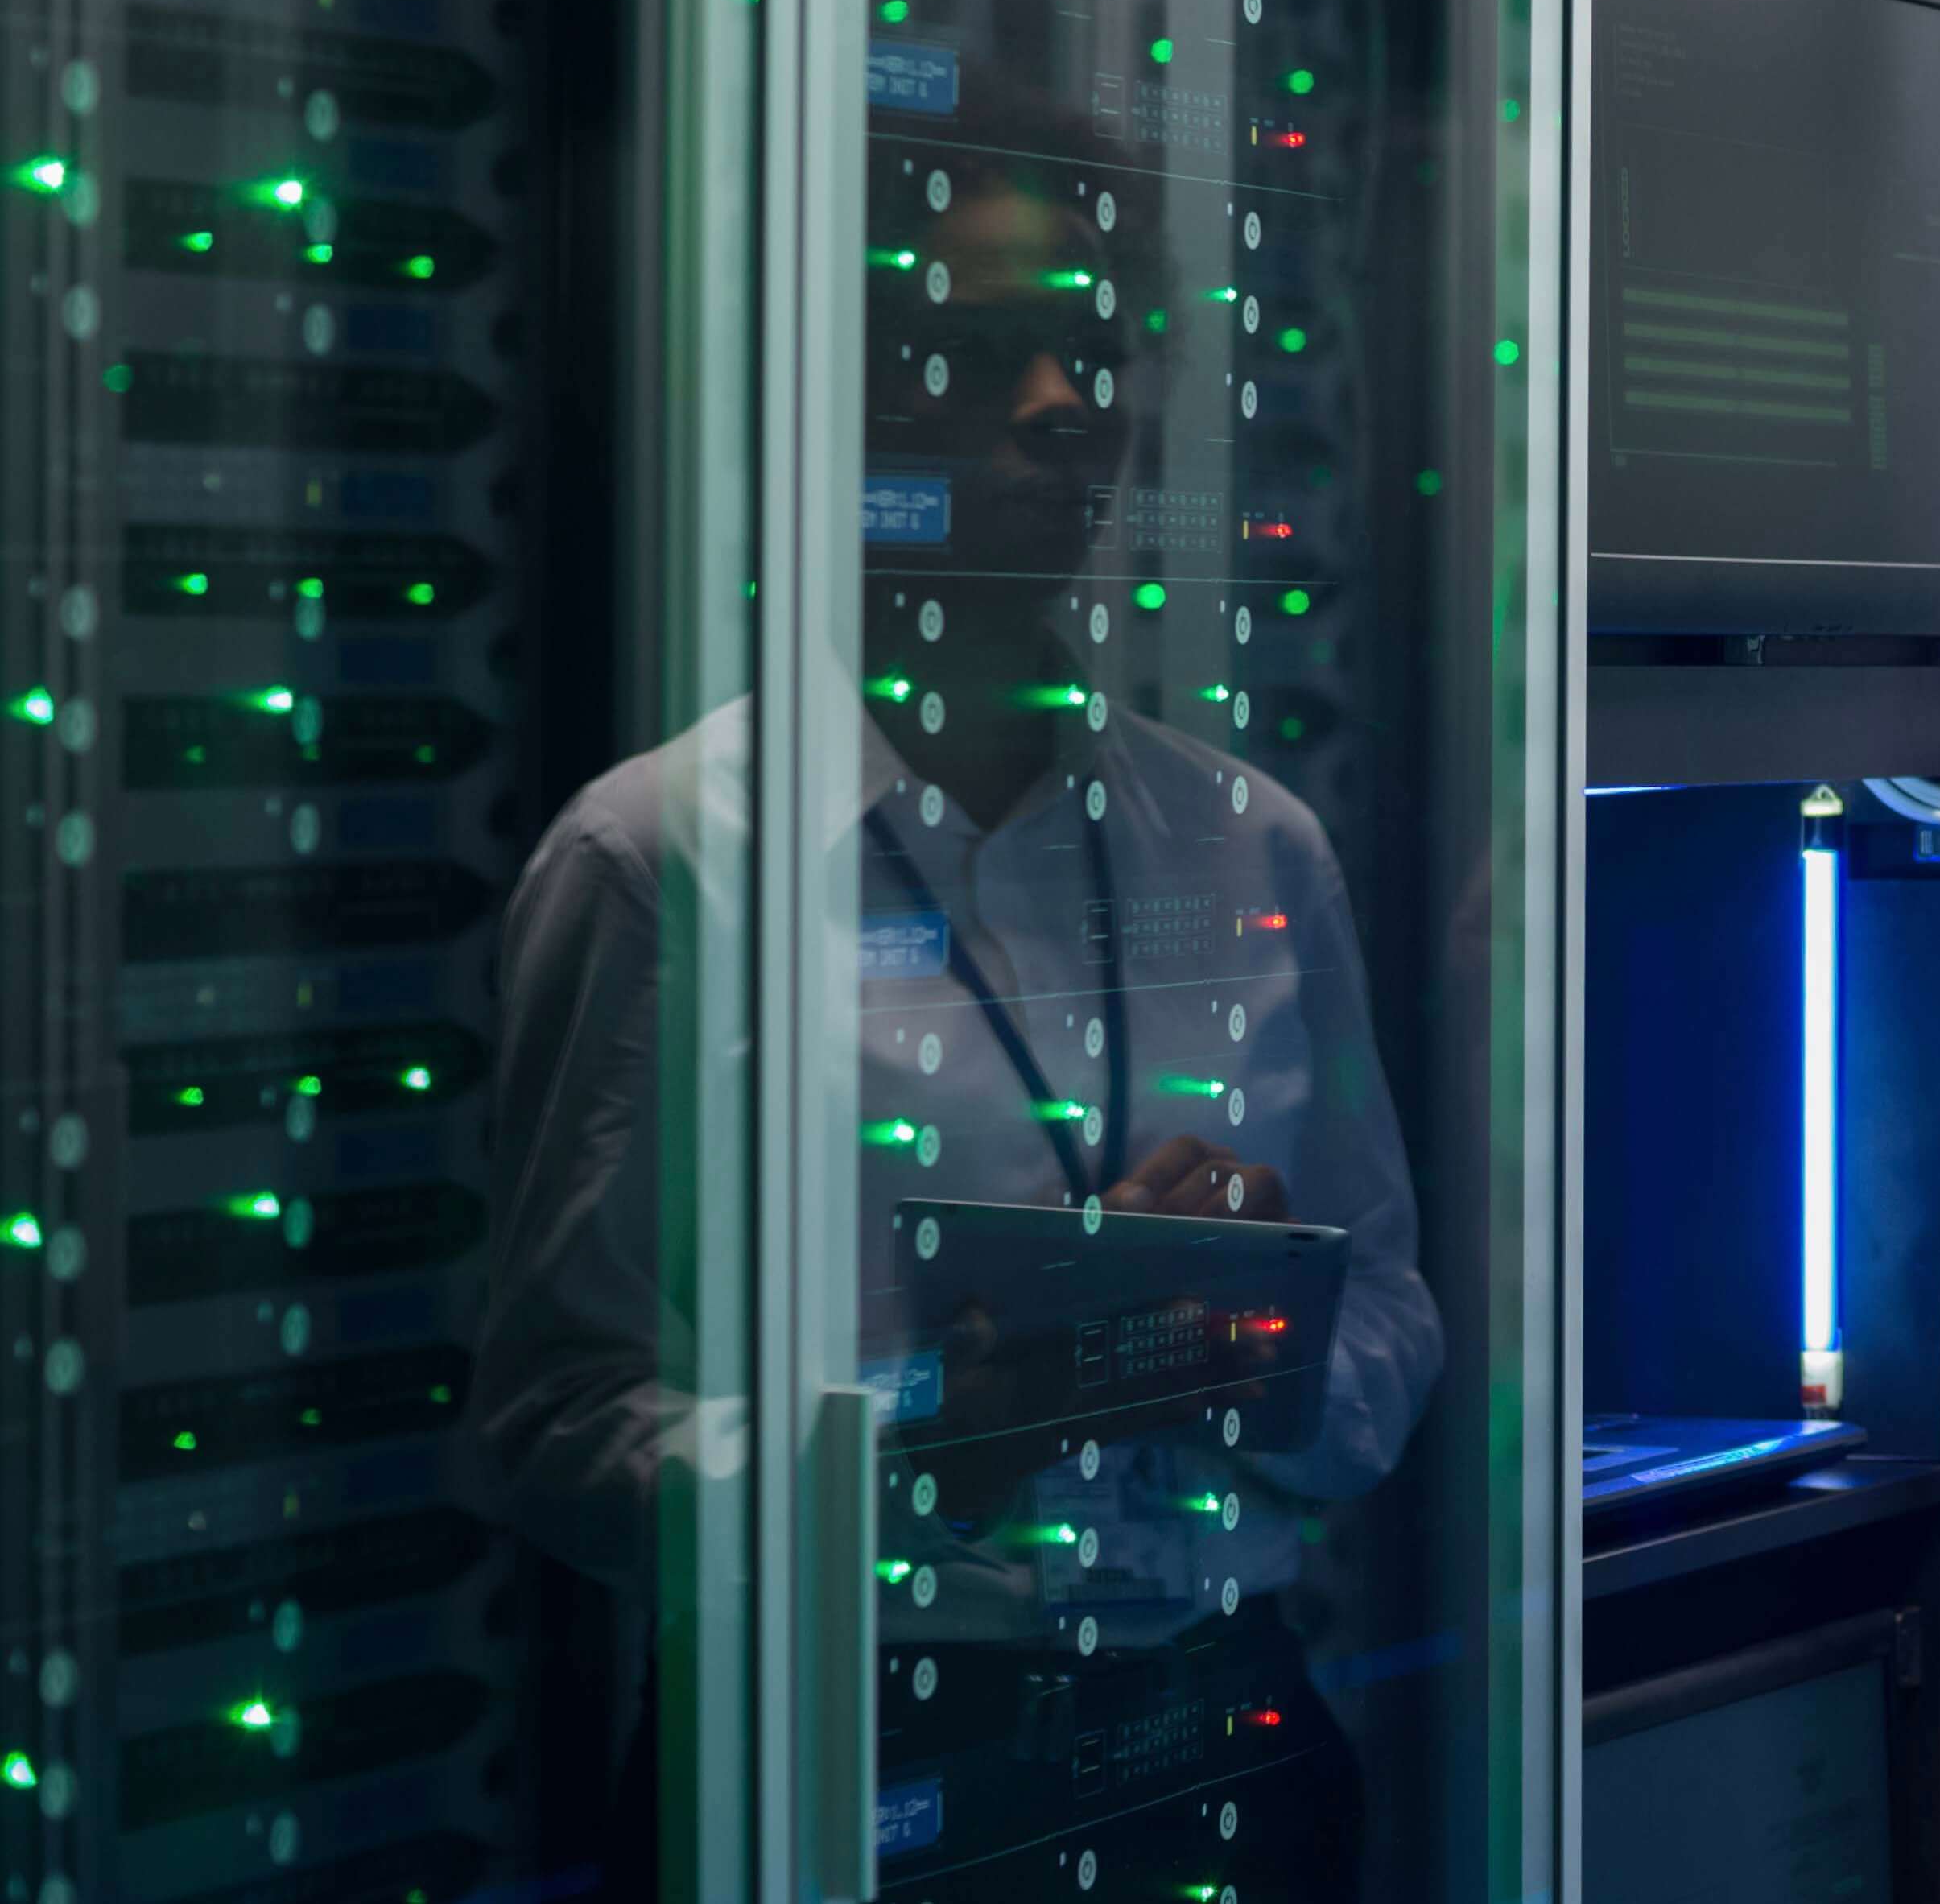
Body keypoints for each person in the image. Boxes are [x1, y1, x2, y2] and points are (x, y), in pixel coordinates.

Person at [466, 159, 1438, 1891]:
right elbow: (551, 1423)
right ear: (836, 410)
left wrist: (1249, 1353)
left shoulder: (1250, 837)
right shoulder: (665, 856)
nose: (1065, 410)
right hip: (843, 1746)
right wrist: (929, 1431)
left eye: (1085, 354)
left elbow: (1387, 1309)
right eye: (981, 356)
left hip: (1219, 1723)